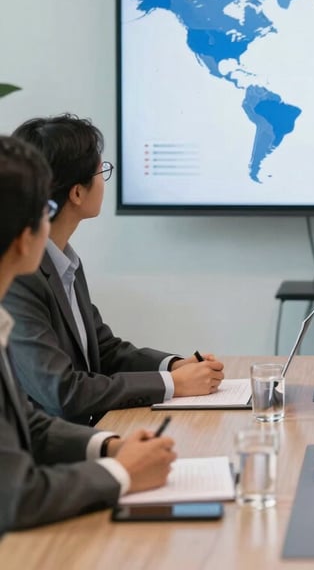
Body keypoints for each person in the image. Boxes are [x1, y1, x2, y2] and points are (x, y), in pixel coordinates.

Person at [0, 135, 176, 534]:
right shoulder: (21, 291)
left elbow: (29, 422)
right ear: (24, 236)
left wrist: (112, 446)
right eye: (43, 210)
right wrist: (121, 472)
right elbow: (15, 498)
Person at [3, 114, 224, 425]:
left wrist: (172, 367)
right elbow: (61, 391)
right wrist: (174, 386)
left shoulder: (64, 262)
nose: (104, 182)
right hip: (52, 454)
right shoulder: (19, 278)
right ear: (77, 193)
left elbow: (103, 350)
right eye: (100, 171)